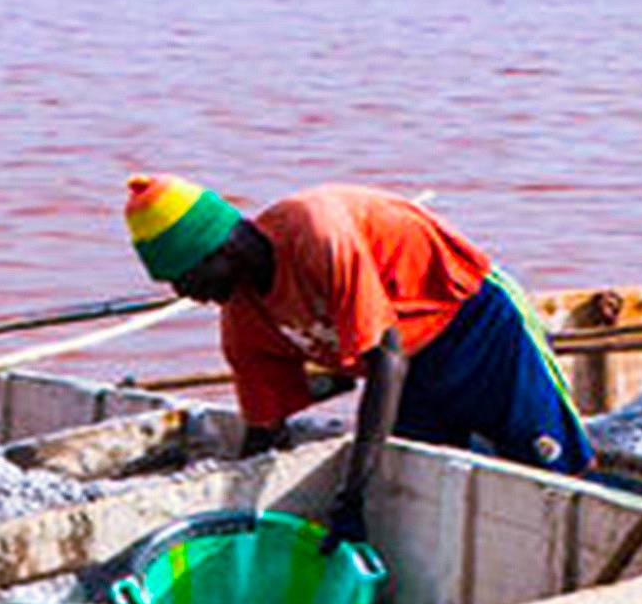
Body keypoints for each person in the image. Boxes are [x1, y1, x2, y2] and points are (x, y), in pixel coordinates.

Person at [120, 174, 595, 540]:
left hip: (476, 324)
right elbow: (265, 431)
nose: (189, 296)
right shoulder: (243, 321)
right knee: (422, 490)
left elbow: (387, 360)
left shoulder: (316, 232)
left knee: (554, 470)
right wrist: (241, 520)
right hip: (408, 369)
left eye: (184, 280)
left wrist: (352, 492)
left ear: (218, 250)